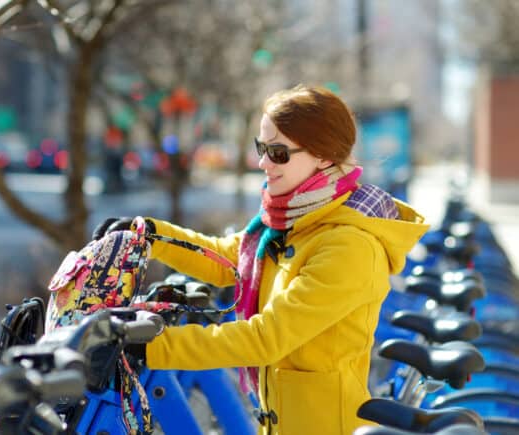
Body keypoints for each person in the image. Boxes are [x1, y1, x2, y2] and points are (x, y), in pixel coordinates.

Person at [92, 85, 430, 435]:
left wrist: (149, 347)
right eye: (261, 148)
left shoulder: (348, 246)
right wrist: (151, 236)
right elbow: (228, 258)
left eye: (279, 152)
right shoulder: (295, 220)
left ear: (324, 156)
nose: (262, 162)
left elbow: (266, 338)